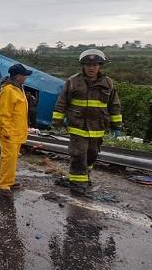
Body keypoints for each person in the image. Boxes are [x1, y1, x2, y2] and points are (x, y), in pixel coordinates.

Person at [52, 49, 122, 196]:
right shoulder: (73, 82)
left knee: (92, 155)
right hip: (78, 126)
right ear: (83, 65)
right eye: (88, 64)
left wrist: (117, 125)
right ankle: (77, 184)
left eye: (95, 64)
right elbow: (62, 102)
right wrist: (57, 121)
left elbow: (114, 105)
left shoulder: (108, 83)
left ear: (100, 65)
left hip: (97, 128)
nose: (91, 68)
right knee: (79, 154)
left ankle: (84, 177)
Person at [0, 63, 32, 198]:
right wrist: (6, 130)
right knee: (8, 158)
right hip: (9, 132)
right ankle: (3, 185)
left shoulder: (17, 89)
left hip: (16, 131)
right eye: (24, 75)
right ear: (17, 76)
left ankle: (9, 181)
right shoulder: (8, 90)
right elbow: (4, 113)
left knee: (12, 158)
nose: (26, 78)